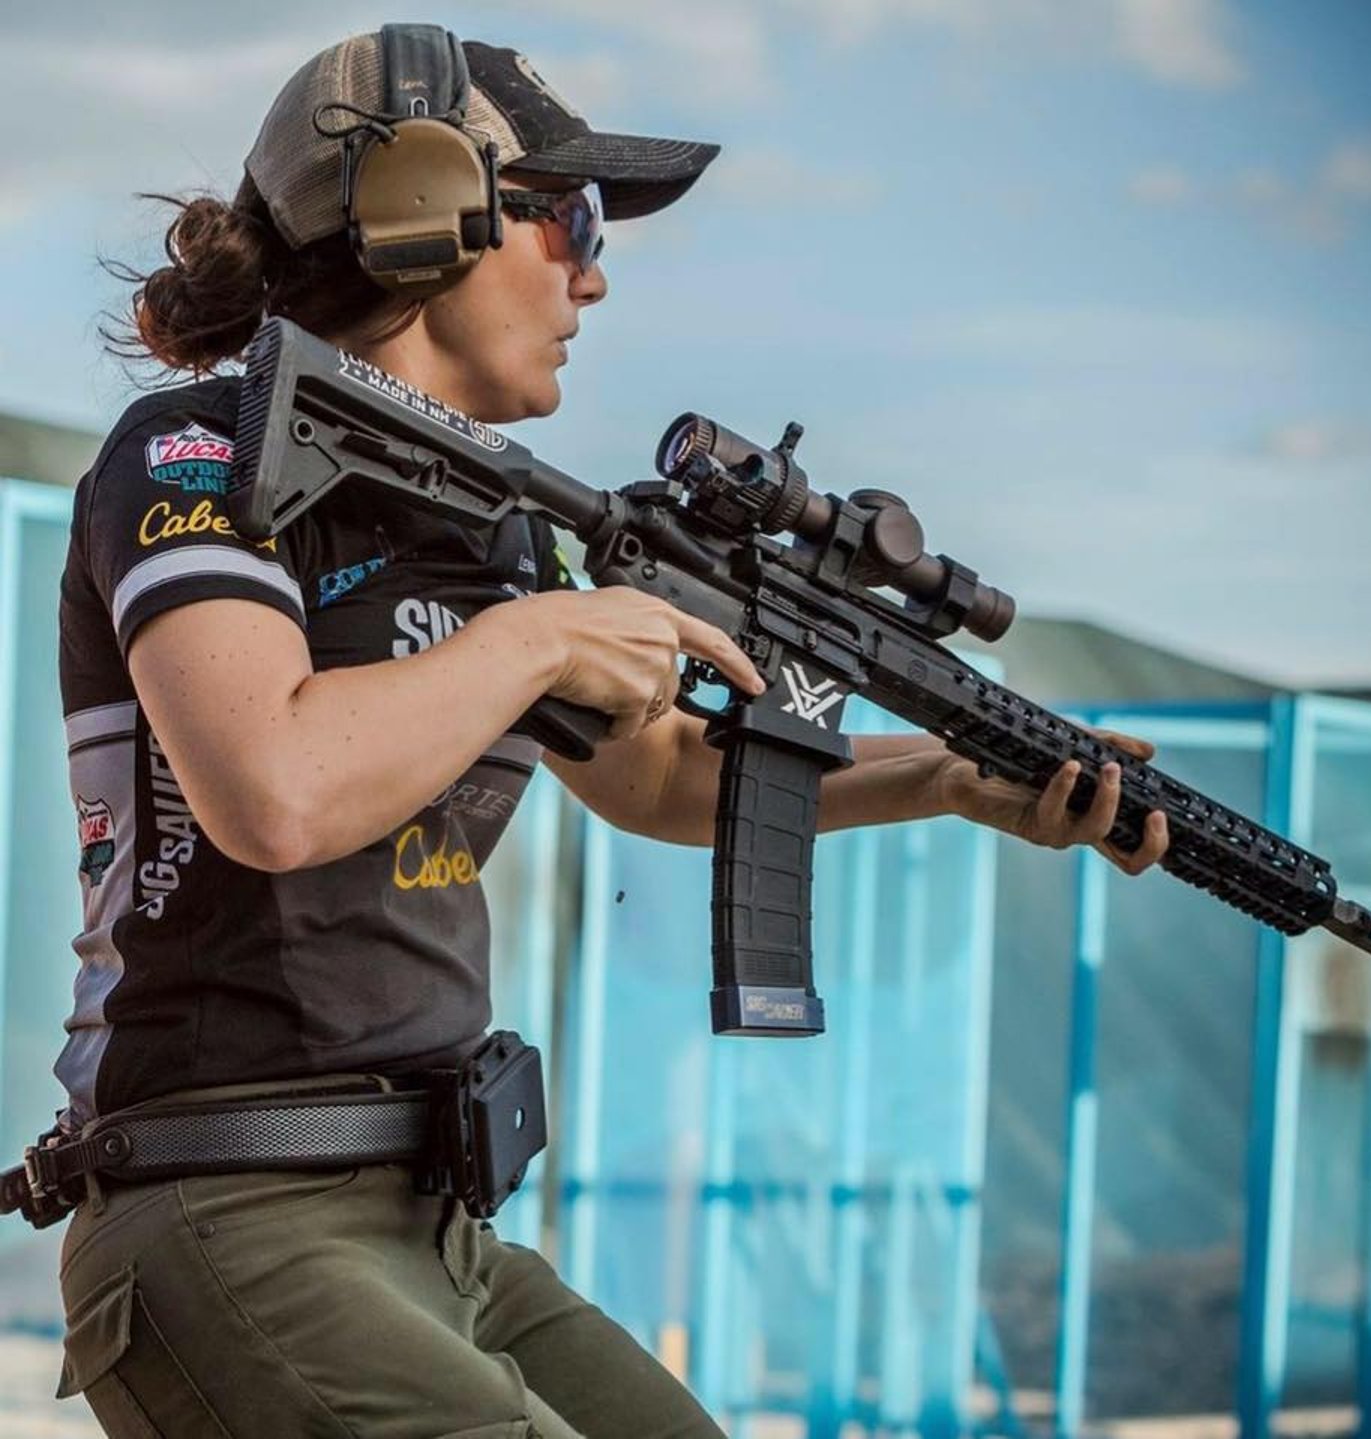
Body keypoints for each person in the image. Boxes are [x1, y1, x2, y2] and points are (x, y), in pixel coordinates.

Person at [48, 24, 1170, 1438]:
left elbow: (662, 779)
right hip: (231, 1205)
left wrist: (956, 778)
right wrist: (541, 636)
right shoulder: (193, 454)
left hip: (434, 1227)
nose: (593, 273)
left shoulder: (497, 525)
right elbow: (272, 787)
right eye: (567, 218)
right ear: (423, 211)